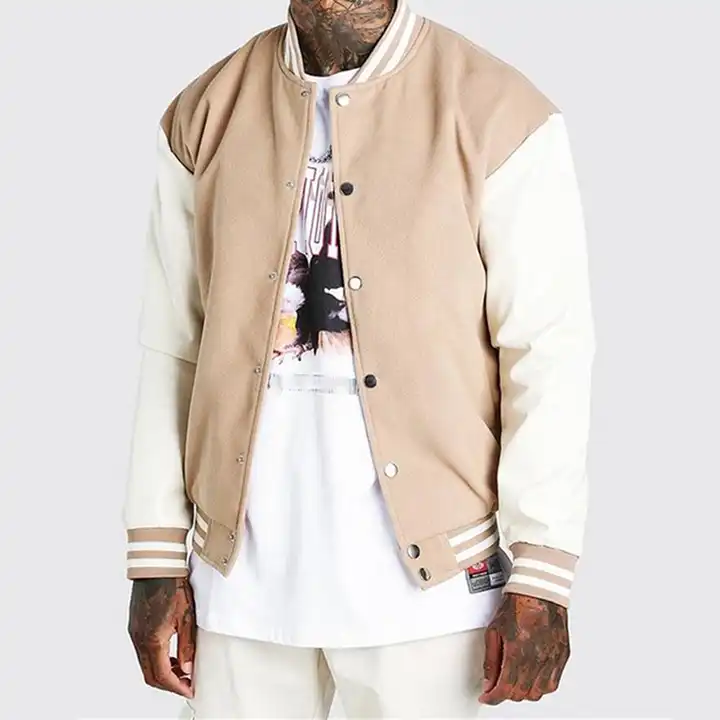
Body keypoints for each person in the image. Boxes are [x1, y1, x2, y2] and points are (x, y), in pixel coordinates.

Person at [123, 1, 595, 717]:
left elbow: (546, 352)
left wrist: (541, 574)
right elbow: (172, 345)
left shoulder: (498, 111)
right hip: (238, 587)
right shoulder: (205, 112)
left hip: (430, 591)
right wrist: (156, 556)